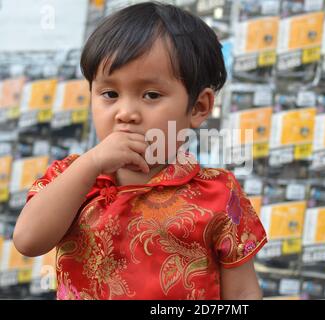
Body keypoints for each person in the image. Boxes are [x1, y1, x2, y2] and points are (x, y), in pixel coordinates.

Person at [13, 2, 267, 300]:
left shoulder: (219, 194)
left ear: (198, 107)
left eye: (150, 95)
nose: (125, 113)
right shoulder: (70, 178)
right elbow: (28, 241)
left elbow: (243, 293)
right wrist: (91, 163)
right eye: (110, 94)